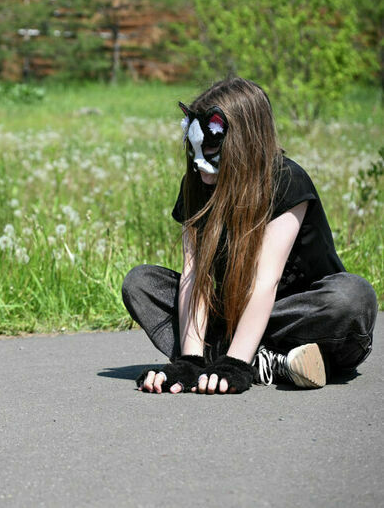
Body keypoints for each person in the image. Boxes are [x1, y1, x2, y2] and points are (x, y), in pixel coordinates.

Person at [121, 77, 377, 394]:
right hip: (233, 314)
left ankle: (244, 357)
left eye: (211, 148)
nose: (199, 160)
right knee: (141, 283)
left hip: (301, 318)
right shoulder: (198, 185)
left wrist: (235, 364)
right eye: (194, 147)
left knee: (352, 295)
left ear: (243, 143)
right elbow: (194, 276)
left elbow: (264, 280)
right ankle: (271, 362)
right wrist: (189, 361)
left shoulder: (286, 180)